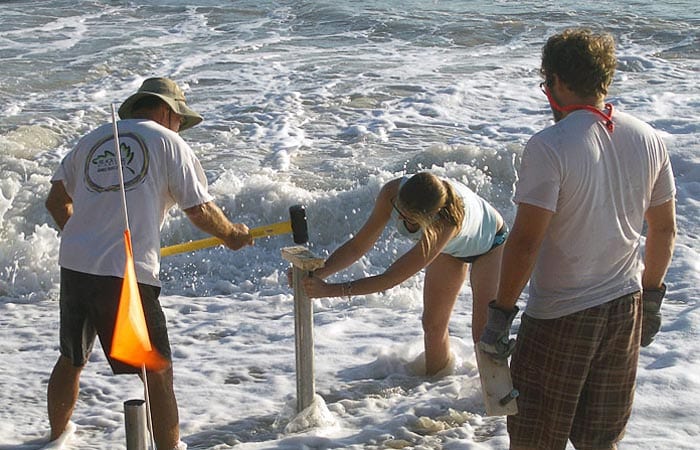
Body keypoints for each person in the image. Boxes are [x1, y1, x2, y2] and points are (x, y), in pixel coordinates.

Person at [478, 29, 676, 449]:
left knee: (535, 438)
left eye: (546, 81)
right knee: (600, 441)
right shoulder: (649, 137)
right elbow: (663, 229)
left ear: (560, 82)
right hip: (625, 308)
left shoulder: (550, 146)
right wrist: (653, 297)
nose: (546, 90)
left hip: (560, 317)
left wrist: (500, 315)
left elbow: (526, 242)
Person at [44, 77, 253, 450]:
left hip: (75, 265)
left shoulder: (92, 139)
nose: (179, 126)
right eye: (179, 118)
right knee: (157, 371)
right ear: (165, 111)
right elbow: (200, 209)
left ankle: (56, 438)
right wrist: (231, 234)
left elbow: (57, 201)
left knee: (72, 357)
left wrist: (85, 238)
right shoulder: (169, 142)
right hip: (125, 272)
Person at [301, 171, 508, 376]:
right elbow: (358, 246)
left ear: (430, 216)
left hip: (489, 245)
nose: (399, 217)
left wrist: (329, 291)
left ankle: (496, 399)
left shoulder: (445, 224)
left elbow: (391, 278)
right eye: (399, 210)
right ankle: (436, 386)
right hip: (451, 250)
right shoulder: (392, 193)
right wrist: (319, 273)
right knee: (432, 325)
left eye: (408, 218)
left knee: (483, 335)